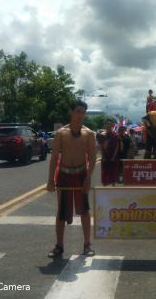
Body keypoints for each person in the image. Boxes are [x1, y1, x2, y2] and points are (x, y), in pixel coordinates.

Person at [46, 99, 97, 258]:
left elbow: (93, 158)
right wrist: (50, 180)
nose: (80, 115)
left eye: (83, 112)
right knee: (62, 211)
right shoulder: (61, 133)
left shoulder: (89, 134)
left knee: (84, 210)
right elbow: (54, 157)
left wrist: (88, 177)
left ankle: (87, 244)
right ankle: (59, 245)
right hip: (64, 174)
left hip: (81, 174)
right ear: (72, 112)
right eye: (78, 112)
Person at [100, 119, 120, 186]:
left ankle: (113, 188)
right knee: (104, 172)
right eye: (107, 124)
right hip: (105, 156)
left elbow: (117, 147)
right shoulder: (102, 135)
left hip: (113, 157)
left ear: (112, 125)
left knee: (113, 172)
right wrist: (102, 156)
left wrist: (113, 157)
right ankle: (104, 187)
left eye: (109, 124)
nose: (108, 125)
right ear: (104, 125)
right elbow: (100, 147)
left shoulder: (115, 135)